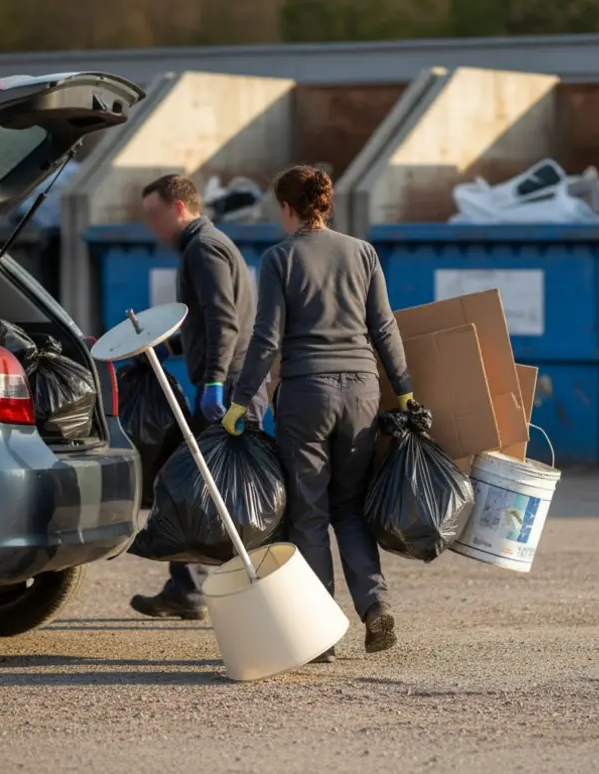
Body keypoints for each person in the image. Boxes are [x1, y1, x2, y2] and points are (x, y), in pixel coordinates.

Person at [223, 165, 414, 663]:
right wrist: (405, 392)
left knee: (309, 514)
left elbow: (266, 338)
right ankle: (375, 606)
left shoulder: (279, 258)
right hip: (363, 393)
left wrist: (241, 402)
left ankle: (319, 634)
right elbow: (384, 327)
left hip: (306, 394)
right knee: (350, 507)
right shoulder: (363, 252)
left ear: (288, 208)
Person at [129, 173, 270, 620]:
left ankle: (241, 591)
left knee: (219, 492)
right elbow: (205, 325)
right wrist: (170, 347)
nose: (151, 226)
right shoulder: (210, 244)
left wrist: (213, 382)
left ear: (178, 208)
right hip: (235, 382)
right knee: (209, 489)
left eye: (154, 215)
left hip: (230, 388)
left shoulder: (203, 249)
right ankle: (188, 588)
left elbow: (222, 320)